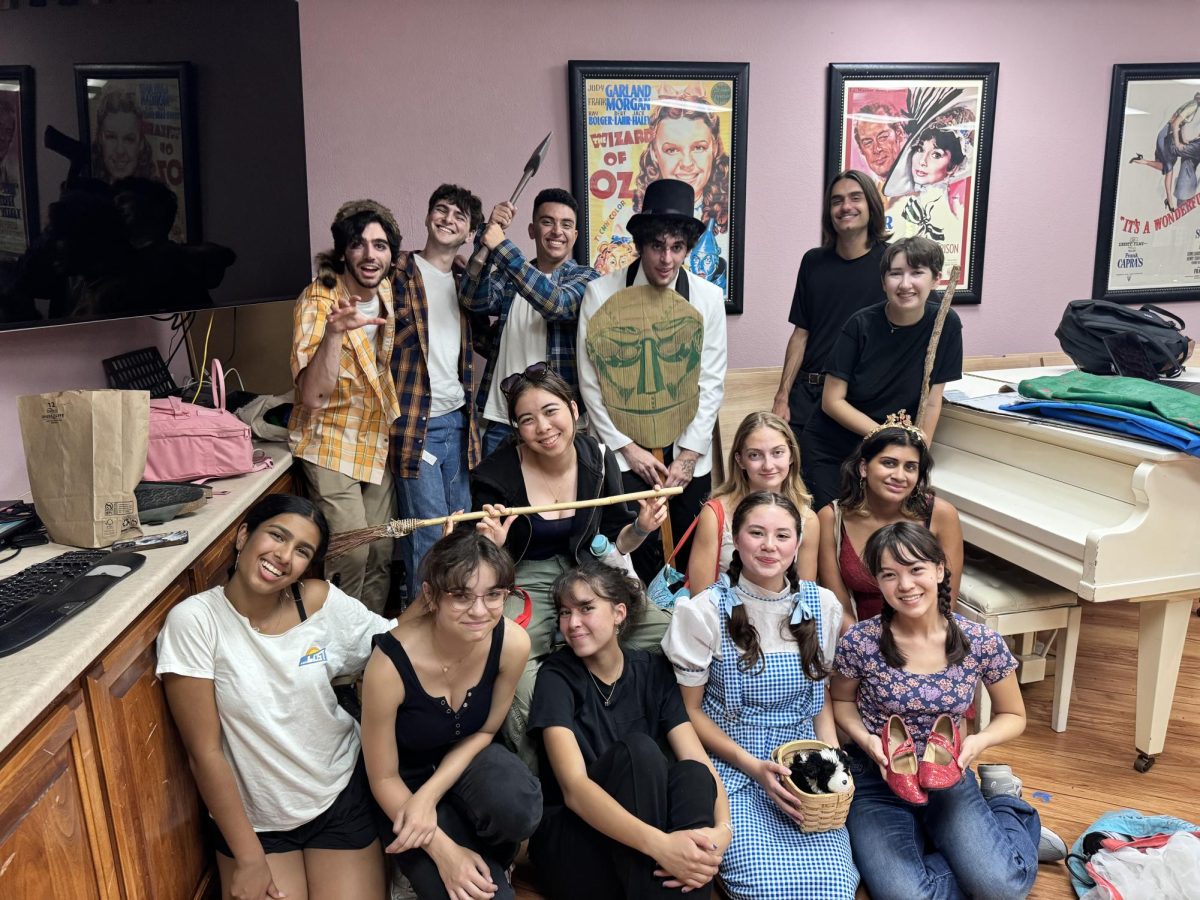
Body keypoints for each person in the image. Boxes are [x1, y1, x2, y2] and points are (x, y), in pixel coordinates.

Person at [156, 494, 394, 900]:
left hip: (336, 792)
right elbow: (205, 753)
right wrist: (249, 860)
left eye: (302, 551)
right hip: (255, 821)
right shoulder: (195, 621)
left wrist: (445, 579)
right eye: (276, 536)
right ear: (243, 535)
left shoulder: (318, 601)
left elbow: (398, 644)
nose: (284, 556)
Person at [831, 522, 1065, 899]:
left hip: (948, 768)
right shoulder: (861, 640)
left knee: (1002, 888)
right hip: (876, 775)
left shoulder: (980, 640)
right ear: (877, 581)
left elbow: (1013, 715)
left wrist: (977, 743)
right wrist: (867, 741)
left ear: (940, 569)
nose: (905, 585)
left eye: (916, 570)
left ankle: (1007, 807)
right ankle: (983, 851)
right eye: (890, 575)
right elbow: (841, 702)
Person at [662, 492, 859, 900]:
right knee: (763, 887)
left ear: (797, 543)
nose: (770, 546)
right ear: (736, 538)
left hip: (806, 765)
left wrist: (833, 761)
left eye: (782, 535)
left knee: (835, 886)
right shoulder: (703, 612)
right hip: (731, 764)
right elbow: (690, 712)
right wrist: (754, 768)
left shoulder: (823, 606)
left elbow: (819, 698)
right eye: (756, 533)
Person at [470, 365, 670, 762]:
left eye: (550, 411)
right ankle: (541, 776)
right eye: (527, 420)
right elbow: (481, 569)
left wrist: (642, 528)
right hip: (526, 577)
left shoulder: (597, 457)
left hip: (589, 572)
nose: (543, 427)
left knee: (665, 634)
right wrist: (492, 547)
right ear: (516, 429)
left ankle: (632, 730)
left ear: (574, 410)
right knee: (515, 666)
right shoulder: (495, 477)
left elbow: (616, 542)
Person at [528, 561, 732, 899]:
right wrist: (662, 846)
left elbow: (700, 763)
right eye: (565, 612)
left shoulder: (653, 672)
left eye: (586, 608)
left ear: (619, 613)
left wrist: (722, 830)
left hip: (644, 850)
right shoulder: (556, 676)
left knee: (692, 776)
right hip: (576, 842)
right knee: (639, 753)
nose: (573, 623)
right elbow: (574, 790)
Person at [361, 529, 541, 900]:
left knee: (518, 804)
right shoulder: (389, 663)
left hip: (468, 763)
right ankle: (423, 868)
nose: (479, 611)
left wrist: (430, 795)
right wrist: (444, 852)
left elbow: (486, 730)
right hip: (400, 783)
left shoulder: (511, 643)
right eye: (460, 596)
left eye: (493, 595)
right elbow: (382, 777)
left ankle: (494, 859)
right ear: (430, 596)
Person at [578, 178, 728, 583]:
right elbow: (592, 384)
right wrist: (628, 450)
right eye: (657, 246)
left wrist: (689, 455)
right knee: (629, 554)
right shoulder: (600, 294)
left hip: (687, 454)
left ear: (686, 249)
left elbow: (711, 382)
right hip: (624, 449)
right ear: (641, 245)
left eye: (676, 247)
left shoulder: (708, 299)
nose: (666, 258)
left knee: (686, 550)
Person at [289, 199, 402, 613]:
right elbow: (312, 396)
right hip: (330, 440)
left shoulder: (386, 288)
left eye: (380, 245)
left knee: (383, 549)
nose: (370, 255)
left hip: (374, 438)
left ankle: (366, 647)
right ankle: (334, 652)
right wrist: (334, 334)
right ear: (343, 251)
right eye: (359, 244)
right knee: (352, 552)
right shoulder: (319, 301)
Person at [800, 236, 963, 510]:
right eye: (895, 274)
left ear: (935, 279)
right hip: (834, 448)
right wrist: (890, 439)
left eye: (917, 273)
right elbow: (832, 401)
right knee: (836, 526)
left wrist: (917, 456)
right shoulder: (860, 325)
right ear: (883, 281)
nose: (905, 284)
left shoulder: (946, 323)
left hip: (888, 456)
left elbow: (933, 401)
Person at [390, 183, 485, 604]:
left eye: (459, 216)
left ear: (468, 233)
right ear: (428, 217)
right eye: (441, 210)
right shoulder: (397, 271)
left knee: (460, 526)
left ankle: (456, 612)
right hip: (416, 422)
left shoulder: (467, 280)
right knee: (426, 529)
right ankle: (421, 620)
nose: (448, 219)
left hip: (460, 421)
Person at [459, 187, 599, 457]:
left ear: (575, 235)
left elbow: (556, 304)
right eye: (547, 222)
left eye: (566, 224)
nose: (557, 231)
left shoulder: (586, 278)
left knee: (557, 497)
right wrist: (486, 241)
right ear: (532, 230)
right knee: (496, 498)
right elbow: (472, 300)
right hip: (502, 418)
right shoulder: (507, 276)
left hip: (555, 424)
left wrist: (501, 246)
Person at [772, 170, 891, 442]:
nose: (846, 206)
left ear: (871, 205)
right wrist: (782, 396)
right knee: (797, 482)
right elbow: (801, 335)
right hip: (808, 397)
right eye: (837, 201)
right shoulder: (813, 262)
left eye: (855, 198)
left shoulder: (891, 263)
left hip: (858, 402)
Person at [818, 418, 963, 623]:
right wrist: (866, 648)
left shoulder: (941, 515)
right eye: (889, 463)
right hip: (856, 638)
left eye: (910, 467)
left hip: (925, 634)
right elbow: (837, 604)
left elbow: (947, 601)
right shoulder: (831, 517)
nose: (899, 476)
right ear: (863, 468)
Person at [686, 411, 819, 596]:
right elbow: (700, 597)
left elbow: (804, 598)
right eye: (755, 455)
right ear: (740, 460)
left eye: (777, 453)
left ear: (791, 456)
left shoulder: (808, 519)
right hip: (722, 619)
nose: (768, 465)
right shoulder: (715, 513)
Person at [633, 94, 732, 289]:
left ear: (714, 148)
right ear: (654, 152)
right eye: (672, 150)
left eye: (699, 147)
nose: (687, 163)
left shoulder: (709, 297)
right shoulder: (602, 293)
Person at [1129, 92, 1200, 210]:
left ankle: (1141, 161)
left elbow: (1181, 124)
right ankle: (1169, 201)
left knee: (1164, 167)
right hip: (1166, 136)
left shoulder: (1194, 106)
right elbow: (1175, 124)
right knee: (1169, 170)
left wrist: (1184, 140)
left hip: (1169, 135)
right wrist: (1178, 143)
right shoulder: (1193, 106)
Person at [90, 88, 155, 184]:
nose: (120, 150)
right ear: (100, 138)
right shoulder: (86, 192)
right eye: (111, 137)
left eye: (129, 139)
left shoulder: (157, 196)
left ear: (141, 143)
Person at [852, 102, 907, 187]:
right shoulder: (865, 191)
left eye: (883, 137)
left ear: (899, 134)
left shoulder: (923, 186)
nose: (876, 149)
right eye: (868, 142)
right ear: (861, 149)